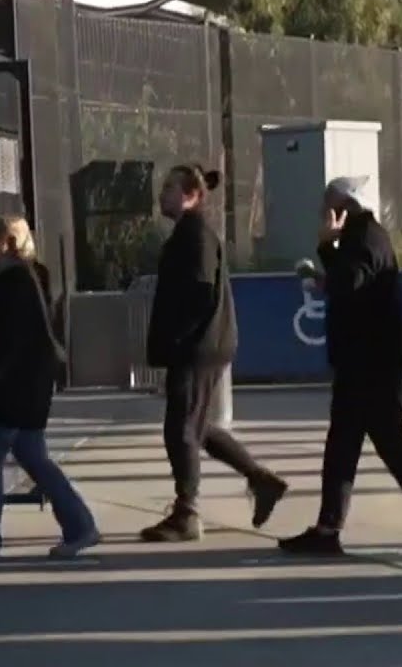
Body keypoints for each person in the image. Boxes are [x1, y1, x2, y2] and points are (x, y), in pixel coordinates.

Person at [278, 177, 402, 559]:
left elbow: (349, 282)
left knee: (389, 444)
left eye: (327, 207)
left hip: (370, 364)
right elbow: (350, 285)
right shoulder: (364, 238)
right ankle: (329, 527)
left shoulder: (365, 239)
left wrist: (326, 244)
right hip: (363, 361)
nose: (322, 214)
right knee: (343, 443)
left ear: (340, 209)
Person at [139, 164, 287, 542]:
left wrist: (177, 342)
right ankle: (260, 479)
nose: (163, 195)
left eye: (171, 188)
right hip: (201, 344)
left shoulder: (196, 236)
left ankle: (186, 512)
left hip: (196, 347)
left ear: (192, 195)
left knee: (181, 428)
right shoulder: (189, 234)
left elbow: (200, 293)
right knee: (198, 427)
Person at [0, 216, 98, 561]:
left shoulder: (9, 285)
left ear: (7, 243)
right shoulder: (31, 279)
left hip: (5, 393)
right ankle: (79, 525)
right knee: (34, 459)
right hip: (28, 390)